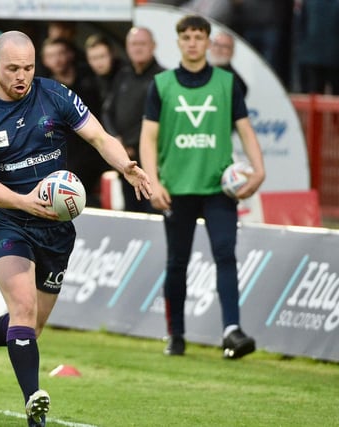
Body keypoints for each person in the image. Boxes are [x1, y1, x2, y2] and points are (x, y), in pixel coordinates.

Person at [0, 31, 152, 427]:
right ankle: (34, 407)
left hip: (56, 227)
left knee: (31, 325)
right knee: (23, 306)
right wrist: (27, 202)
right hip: (7, 222)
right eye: (12, 68)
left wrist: (125, 165)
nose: (21, 76)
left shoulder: (55, 95)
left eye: (28, 67)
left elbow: (98, 136)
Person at [139, 15, 265, 358]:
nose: (193, 42)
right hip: (176, 187)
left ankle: (232, 331)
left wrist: (259, 170)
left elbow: (245, 129)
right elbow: (148, 139)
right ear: (178, 42)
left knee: (225, 254)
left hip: (217, 188)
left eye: (199, 36)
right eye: (187, 37)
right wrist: (153, 182)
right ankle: (175, 335)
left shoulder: (227, 83)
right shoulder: (162, 84)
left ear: (208, 42)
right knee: (176, 262)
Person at [40, 37, 109, 207]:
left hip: (97, 150)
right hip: (67, 157)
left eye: (60, 53)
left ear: (70, 55)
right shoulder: (43, 90)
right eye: (50, 55)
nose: (57, 60)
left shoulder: (92, 80)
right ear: (44, 60)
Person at [103, 27, 164, 213]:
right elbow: (107, 111)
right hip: (127, 164)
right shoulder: (122, 75)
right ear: (127, 47)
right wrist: (115, 139)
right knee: (131, 213)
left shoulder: (164, 78)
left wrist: (131, 145)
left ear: (153, 46)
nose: (137, 48)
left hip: (154, 165)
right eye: (133, 44)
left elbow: (161, 119)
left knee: (154, 214)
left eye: (142, 44)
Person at [294, 0, 339, 95]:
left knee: (313, 93)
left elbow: (300, 27)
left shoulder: (309, 2)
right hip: (332, 55)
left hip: (312, 55)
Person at [84, 33, 124, 108]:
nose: (99, 63)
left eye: (102, 56)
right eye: (94, 58)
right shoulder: (87, 84)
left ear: (112, 54)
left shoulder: (126, 76)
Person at [209, 31, 248, 97]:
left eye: (224, 46)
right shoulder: (202, 70)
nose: (218, 49)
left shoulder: (235, 82)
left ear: (232, 52)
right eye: (216, 44)